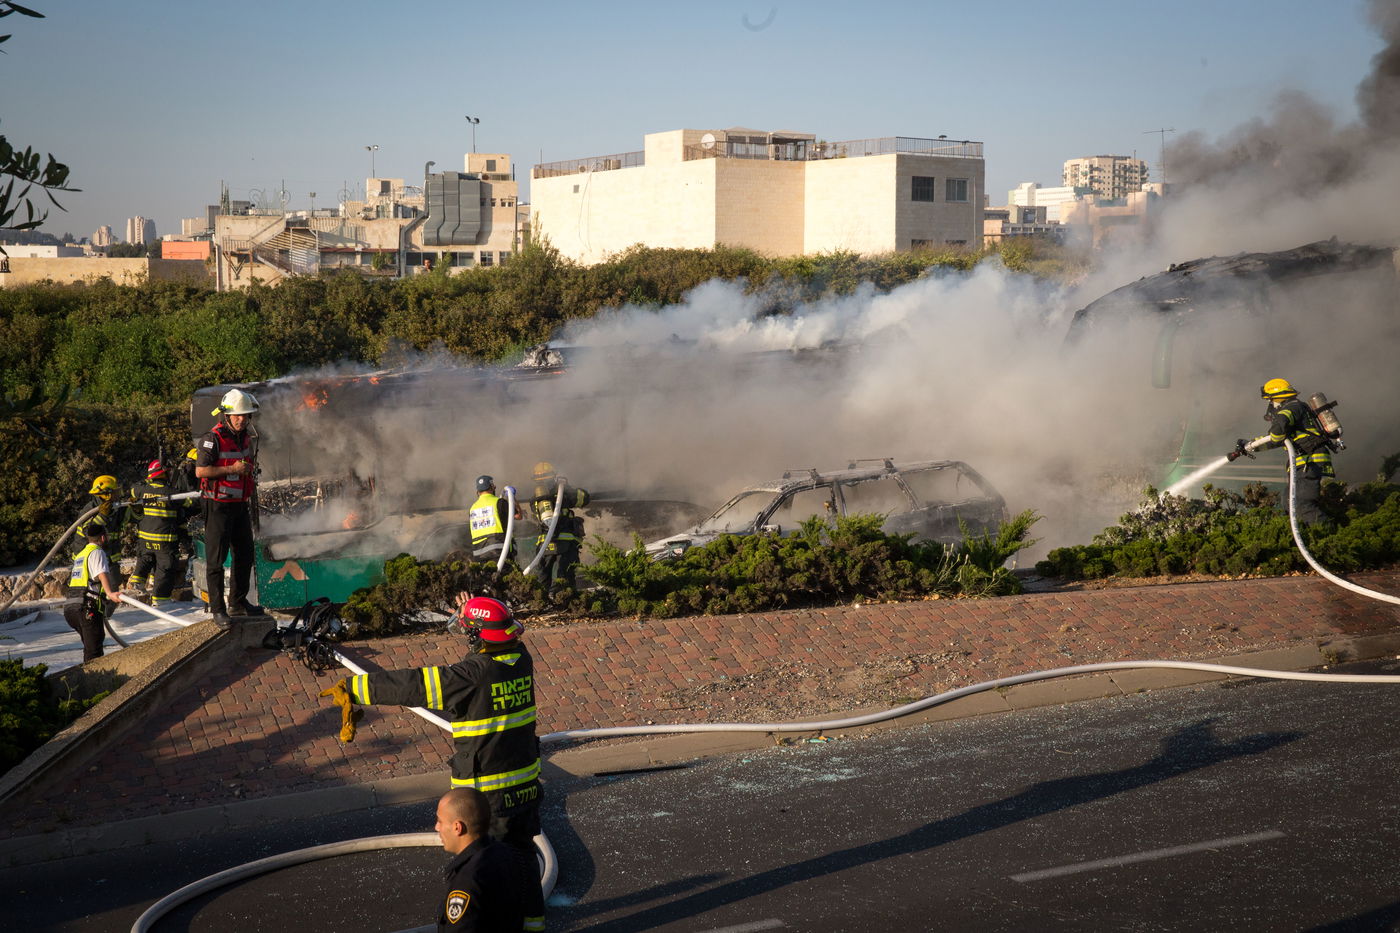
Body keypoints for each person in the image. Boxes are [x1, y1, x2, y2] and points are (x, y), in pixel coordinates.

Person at [319, 596, 545, 931]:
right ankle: (534, 926)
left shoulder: (471, 675)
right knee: (524, 859)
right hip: (525, 790)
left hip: (488, 797)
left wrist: (355, 688)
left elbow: (415, 686)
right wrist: (474, 606)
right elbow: (489, 644)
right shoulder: (520, 659)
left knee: (483, 871)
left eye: (470, 631)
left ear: (479, 636)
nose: (466, 636)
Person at [195, 388, 266, 627]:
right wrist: (232, 470)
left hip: (238, 505)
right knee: (216, 560)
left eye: (245, 415)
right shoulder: (211, 438)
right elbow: (201, 471)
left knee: (245, 554)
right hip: (217, 506)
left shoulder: (244, 437)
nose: (241, 419)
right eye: (236, 415)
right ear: (226, 415)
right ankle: (218, 609)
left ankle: (237, 602)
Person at [1228, 377, 1337, 525]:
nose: (1270, 405)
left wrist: (1276, 423)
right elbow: (1275, 440)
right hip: (1304, 463)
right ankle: (1308, 536)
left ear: (1277, 397)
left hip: (1309, 462)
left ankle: (1328, 536)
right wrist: (1250, 445)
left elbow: (1277, 431)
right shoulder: (1298, 408)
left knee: (1302, 504)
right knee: (1288, 501)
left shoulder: (1292, 408)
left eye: (1270, 400)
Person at [433, 787, 532, 932]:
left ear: (457, 828)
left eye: (440, 821)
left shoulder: (468, 881)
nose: (436, 827)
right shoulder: (506, 853)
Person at [127, 459, 193, 605]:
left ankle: (138, 580)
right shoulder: (171, 493)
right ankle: (161, 600)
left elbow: (132, 489)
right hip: (165, 541)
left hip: (145, 539)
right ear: (163, 474)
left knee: (146, 558)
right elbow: (190, 503)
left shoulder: (141, 490)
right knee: (165, 568)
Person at [63, 517, 125, 662]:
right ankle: (95, 681)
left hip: (72, 608)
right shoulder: (97, 552)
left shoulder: (81, 554)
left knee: (90, 648)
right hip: (87, 607)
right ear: (102, 537)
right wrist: (110, 593)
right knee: (94, 652)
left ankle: (88, 676)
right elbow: (101, 573)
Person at [528, 461, 591, 591]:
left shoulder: (535, 499)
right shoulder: (563, 492)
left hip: (545, 543)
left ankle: (542, 601)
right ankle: (565, 600)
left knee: (543, 576)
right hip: (565, 542)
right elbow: (584, 498)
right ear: (553, 476)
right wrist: (567, 488)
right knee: (565, 576)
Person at [469, 475, 521, 565]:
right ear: (492, 487)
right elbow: (518, 516)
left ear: (478, 491)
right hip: (499, 551)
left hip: (479, 555)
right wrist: (512, 497)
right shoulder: (499, 502)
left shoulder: (472, 508)